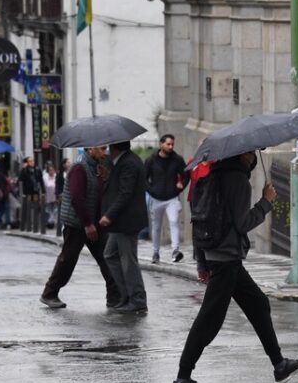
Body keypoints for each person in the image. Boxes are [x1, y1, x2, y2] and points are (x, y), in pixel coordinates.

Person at [170, 151, 298, 383]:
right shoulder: (237, 180)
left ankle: (279, 365)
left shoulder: (211, 175)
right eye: (252, 152)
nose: (255, 156)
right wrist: (265, 202)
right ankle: (182, 378)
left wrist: (202, 261)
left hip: (219, 256)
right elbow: (243, 223)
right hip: (226, 259)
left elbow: (199, 220)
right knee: (209, 320)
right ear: (244, 154)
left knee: (258, 303)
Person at [40, 147, 121, 309]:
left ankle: (114, 296)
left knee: (107, 257)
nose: (104, 151)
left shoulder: (96, 166)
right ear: (90, 149)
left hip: (94, 222)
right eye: (101, 148)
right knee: (68, 259)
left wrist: (104, 177)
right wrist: (88, 224)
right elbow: (77, 198)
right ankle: (49, 293)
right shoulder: (79, 167)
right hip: (78, 223)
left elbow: (97, 192)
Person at [99, 141, 149, 314]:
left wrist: (108, 215)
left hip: (126, 221)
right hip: (121, 221)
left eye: (108, 147)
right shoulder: (122, 161)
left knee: (128, 260)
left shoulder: (129, 163)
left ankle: (137, 299)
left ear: (114, 147)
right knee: (110, 254)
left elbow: (125, 193)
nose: (106, 150)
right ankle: (127, 294)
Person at [143, 134, 189, 264]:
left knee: (174, 221)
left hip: (172, 197)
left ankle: (175, 250)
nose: (170, 147)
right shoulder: (151, 160)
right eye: (168, 144)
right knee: (156, 226)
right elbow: (143, 178)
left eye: (172, 144)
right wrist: (151, 190)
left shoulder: (177, 159)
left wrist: (180, 187)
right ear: (161, 144)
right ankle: (155, 252)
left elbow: (186, 175)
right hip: (156, 198)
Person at [187, 157, 214, 283]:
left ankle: (207, 264)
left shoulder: (215, 163)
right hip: (196, 200)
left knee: (207, 232)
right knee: (198, 232)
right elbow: (188, 177)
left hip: (210, 201)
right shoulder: (194, 162)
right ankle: (201, 265)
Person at [43, 163, 58, 227]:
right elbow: (46, 185)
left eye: (52, 170)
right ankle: (49, 222)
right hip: (48, 196)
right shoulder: (45, 177)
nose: (51, 171)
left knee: (55, 209)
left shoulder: (56, 176)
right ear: (48, 171)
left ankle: (53, 221)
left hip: (55, 196)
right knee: (48, 209)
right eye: (50, 170)